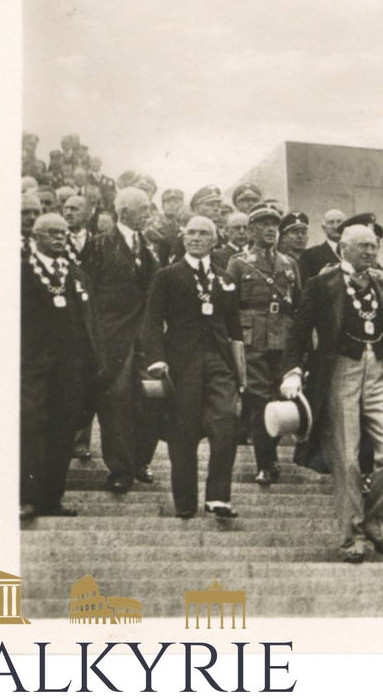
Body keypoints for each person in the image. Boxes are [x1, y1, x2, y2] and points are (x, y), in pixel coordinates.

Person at [280, 224, 383, 563]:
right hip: (341, 371)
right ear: (344, 248)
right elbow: (298, 333)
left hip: (380, 372)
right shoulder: (323, 284)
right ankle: (350, 534)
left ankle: (375, 522)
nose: (370, 252)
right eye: (363, 246)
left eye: (374, 246)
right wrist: (292, 371)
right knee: (347, 458)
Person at [139, 215, 244, 519]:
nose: (196, 238)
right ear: (184, 239)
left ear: (214, 240)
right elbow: (151, 322)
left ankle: (218, 497)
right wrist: (156, 359)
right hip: (181, 363)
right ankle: (185, 502)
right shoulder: (168, 276)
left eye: (203, 234)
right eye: (191, 233)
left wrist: (240, 373)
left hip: (218, 361)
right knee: (183, 433)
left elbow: (234, 329)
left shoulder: (226, 278)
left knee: (225, 421)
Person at [21, 213, 103, 519]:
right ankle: (27, 497)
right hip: (31, 368)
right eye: (52, 232)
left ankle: (52, 500)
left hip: (70, 370)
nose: (59, 238)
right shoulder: (21, 272)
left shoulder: (78, 276)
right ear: (36, 237)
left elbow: (90, 324)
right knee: (30, 429)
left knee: (61, 433)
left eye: (63, 233)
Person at [81, 186, 162, 495]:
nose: (148, 212)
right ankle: (120, 469)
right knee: (116, 403)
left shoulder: (151, 245)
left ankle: (140, 460)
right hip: (112, 339)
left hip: (146, 337)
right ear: (123, 211)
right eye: (143, 207)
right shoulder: (99, 246)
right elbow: (87, 294)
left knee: (153, 399)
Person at [227, 203, 301, 487]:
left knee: (281, 399)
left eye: (274, 225)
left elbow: (298, 306)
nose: (270, 230)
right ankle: (264, 463)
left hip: (283, 339)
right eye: (263, 225)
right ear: (251, 230)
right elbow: (230, 307)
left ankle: (270, 455)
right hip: (253, 341)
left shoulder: (289, 263)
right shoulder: (239, 262)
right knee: (260, 401)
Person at [299, 208, 348, 283]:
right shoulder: (310, 255)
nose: (335, 226)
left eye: (339, 222)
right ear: (324, 228)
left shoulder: (355, 251)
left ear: (346, 226)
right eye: (331, 222)